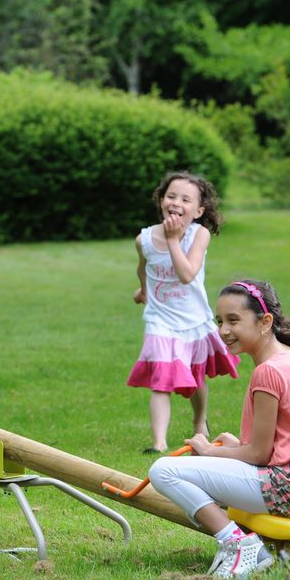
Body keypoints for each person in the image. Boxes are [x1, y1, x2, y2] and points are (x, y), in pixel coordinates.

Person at [148, 279, 290, 580]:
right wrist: (236, 445)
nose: (224, 330)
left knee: (163, 471)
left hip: (287, 487)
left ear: (265, 322)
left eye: (233, 320)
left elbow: (260, 454)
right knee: (205, 473)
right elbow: (284, 441)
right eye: (220, 321)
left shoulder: (268, 372)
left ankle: (238, 545)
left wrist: (209, 452)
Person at [126, 171, 239, 453]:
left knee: (195, 378)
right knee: (160, 381)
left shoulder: (198, 235)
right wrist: (143, 291)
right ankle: (159, 442)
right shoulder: (144, 240)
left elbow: (187, 275)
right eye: (171, 196)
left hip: (193, 321)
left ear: (198, 211)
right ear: (161, 201)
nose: (176, 202)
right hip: (159, 320)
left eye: (186, 199)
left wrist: (173, 240)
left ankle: (200, 421)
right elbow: (143, 269)